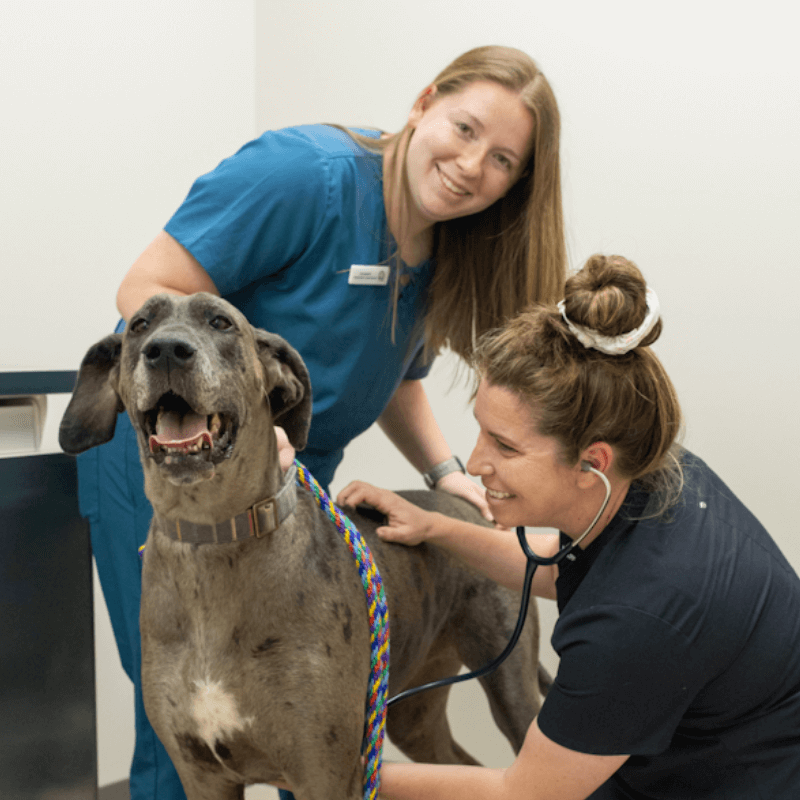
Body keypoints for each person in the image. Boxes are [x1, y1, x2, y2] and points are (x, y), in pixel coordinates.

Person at [75, 46, 566, 800]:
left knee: (314, 723)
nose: (471, 165)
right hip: (171, 459)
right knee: (188, 714)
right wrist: (243, 417)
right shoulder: (303, 175)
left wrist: (446, 475)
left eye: (502, 159)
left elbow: (394, 373)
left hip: (289, 476)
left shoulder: (444, 241)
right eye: (465, 129)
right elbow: (149, 288)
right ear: (424, 102)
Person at [334, 254, 800, 799]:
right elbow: (565, 568)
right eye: (482, 431)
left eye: (505, 447)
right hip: (674, 752)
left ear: (591, 463)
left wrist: (331, 770)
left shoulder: (639, 617)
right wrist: (437, 528)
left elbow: (525, 793)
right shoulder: (651, 471)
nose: (475, 463)